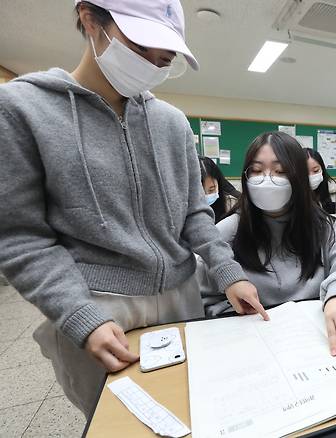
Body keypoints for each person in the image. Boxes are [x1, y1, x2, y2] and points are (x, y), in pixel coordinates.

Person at [0, 0, 257, 417]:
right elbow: (19, 235)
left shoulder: (173, 123)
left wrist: (227, 272)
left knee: (195, 407)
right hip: (96, 301)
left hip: (181, 294)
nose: (153, 65)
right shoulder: (22, 109)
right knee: (122, 420)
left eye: (165, 59)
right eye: (142, 50)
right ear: (90, 20)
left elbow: (194, 212)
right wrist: (79, 314)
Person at [198, 132, 336, 355]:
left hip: (318, 342)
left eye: (280, 171)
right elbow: (208, 299)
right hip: (253, 348)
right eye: (256, 170)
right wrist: (236, 320)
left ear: (298, 178)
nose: (266, 179)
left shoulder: (323, 225)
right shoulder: (227, 231)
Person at [199, 156, 240, 222]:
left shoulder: (232, 202)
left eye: (211, 190)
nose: (206, 195)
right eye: (201, 192)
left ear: (218, 182)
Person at [304, 147, 336, 214]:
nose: (311, 176)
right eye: (305, 172)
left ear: (322, 169)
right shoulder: (291, 194)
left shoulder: (333, 191)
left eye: (316, 170)